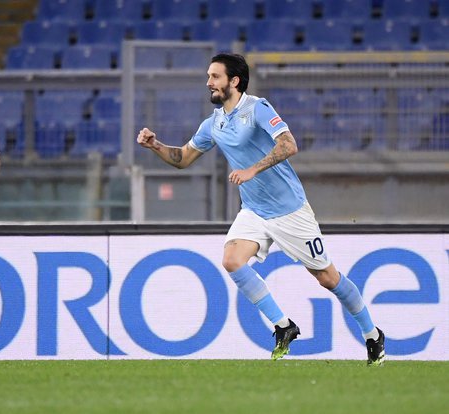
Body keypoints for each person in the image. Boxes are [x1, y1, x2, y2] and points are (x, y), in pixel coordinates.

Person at [136, 53, 386, 366]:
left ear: (234, 81)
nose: (208, 82)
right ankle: (284, 326)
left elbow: (289, 144)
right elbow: (184, 158)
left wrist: (253, 169)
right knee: (231, 259)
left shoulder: (257, 108)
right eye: (208, 76)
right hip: (254, 210)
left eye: (215, 76)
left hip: (289, 210)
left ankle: (372, 334)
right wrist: (156, 146)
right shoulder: (213, 123)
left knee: (327, 278)